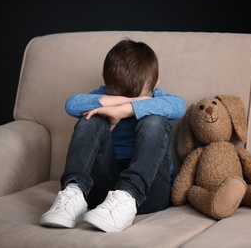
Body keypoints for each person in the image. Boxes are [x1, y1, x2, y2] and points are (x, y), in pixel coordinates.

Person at [40, 39, 186, 233]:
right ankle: (73, 192)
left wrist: (124, 109)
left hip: (149, 193)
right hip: (102, 193)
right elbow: (72, 104)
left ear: (156, 85)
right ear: (104, 79)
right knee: (90, 118)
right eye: (117, 95)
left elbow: (179, 106)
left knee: (155, 121)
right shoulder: (99, 95)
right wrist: (129, 101)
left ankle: (127, 195)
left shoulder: (160, 98)